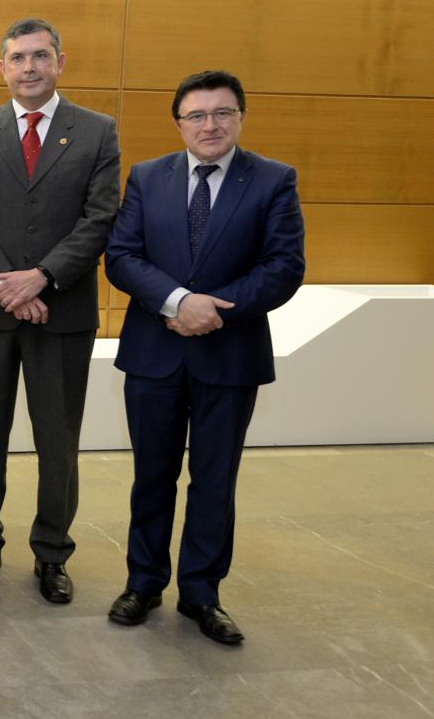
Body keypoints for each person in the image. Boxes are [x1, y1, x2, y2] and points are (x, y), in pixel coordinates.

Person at [105, 70, 304, 645]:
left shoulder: (272, 180)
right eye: (196, 115)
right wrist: (178, 300)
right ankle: (142, 583)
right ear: (179, 123)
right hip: (153, 355)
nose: (209, 125)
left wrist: (213, 310)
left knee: (214, 480)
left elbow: (285, 266)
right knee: (152, 477)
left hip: (230, 353)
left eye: (222, 113)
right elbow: (121, 256)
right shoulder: (147, 177)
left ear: (241, 117)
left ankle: (201, 593)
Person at [0, 17, 120, 602]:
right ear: (2, 67)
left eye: (40, 56)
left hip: (62, 315)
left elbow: (100, 219)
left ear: (59, 61)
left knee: (57, 442)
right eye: (18, 58)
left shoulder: (97, 132)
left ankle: (51, 554)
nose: (29, 68)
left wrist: (42, 279)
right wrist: (8, 288)